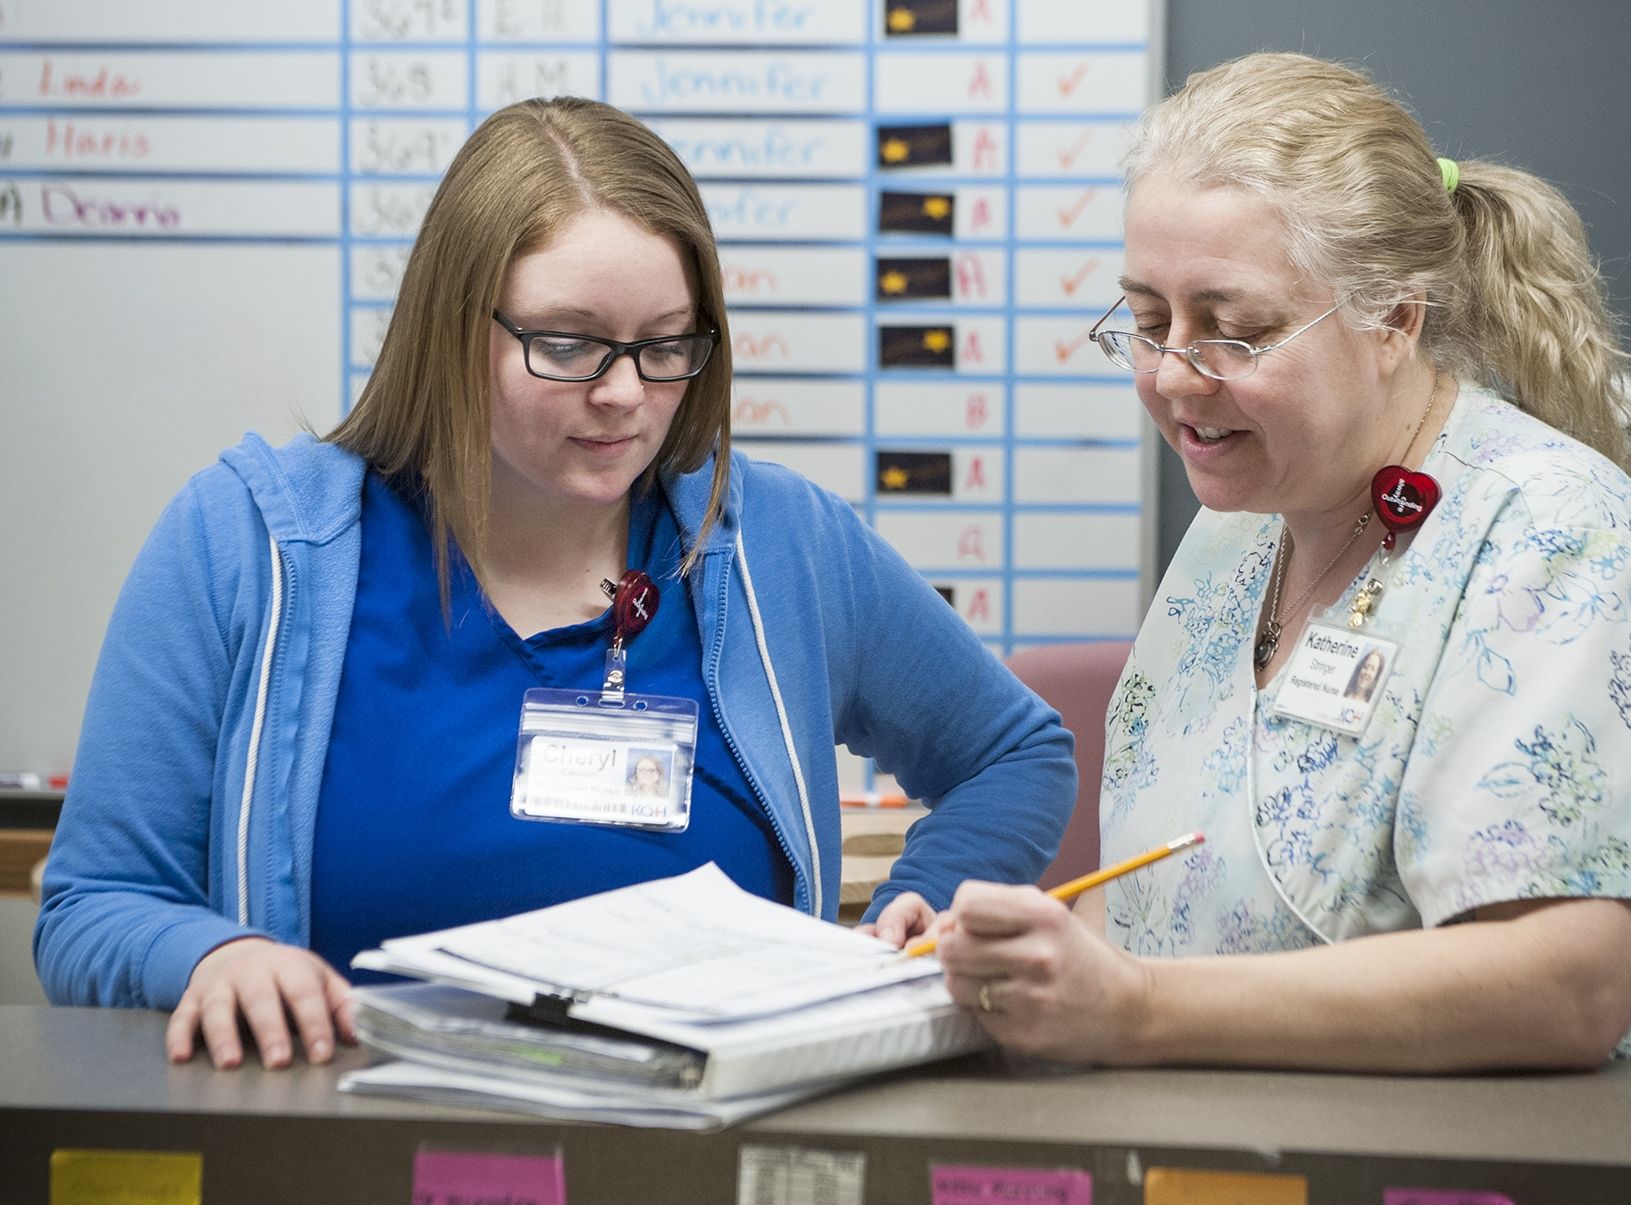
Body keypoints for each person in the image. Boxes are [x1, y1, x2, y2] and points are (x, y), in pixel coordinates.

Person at [34, 97, 1076, 1070]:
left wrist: (921, 904)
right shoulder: (249, 542)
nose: (624, 393)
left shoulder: (775, 542)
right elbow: (95, 904)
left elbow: (1015, 753)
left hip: (696, 1152)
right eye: (567, 343)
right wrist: (210, 957)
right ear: (452, 324)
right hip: (351, 1138)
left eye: (666, 346)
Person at [930, 53, 1631, 1072]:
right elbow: (1161, 907)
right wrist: (1016, 975)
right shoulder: (1238, 530)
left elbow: (1565, 984)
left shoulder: (1553, 532)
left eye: (1233, 329)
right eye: (1149, 322)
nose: (1170, 376)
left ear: (1394, 318)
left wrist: (1139, 1007)